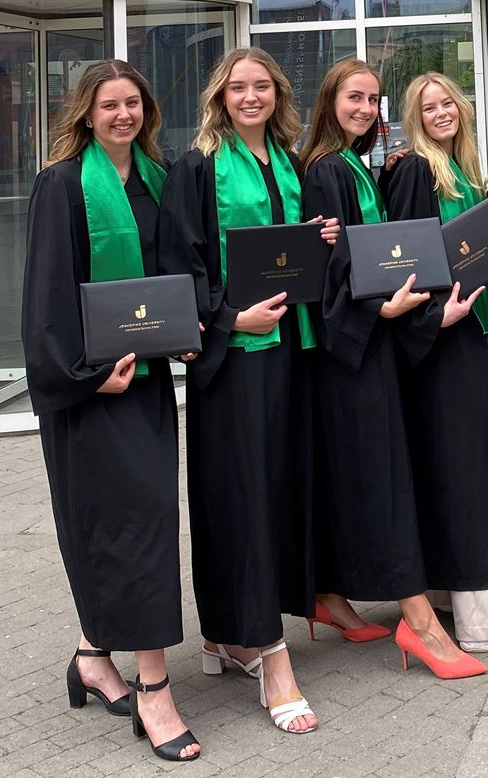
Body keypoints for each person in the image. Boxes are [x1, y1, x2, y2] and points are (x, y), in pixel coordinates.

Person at [157, 47, 340, 733]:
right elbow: (181, 263)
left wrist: (321, 238)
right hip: (234, 363)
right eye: (239, 88)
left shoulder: (289, 163)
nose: (251, 96)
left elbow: (291, 253)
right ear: (221, 97)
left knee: (273, 496)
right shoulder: (198, 167)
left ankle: (227, 634)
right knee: (242, 500)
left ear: (278, 95)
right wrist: (232, 319)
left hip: (288, 356)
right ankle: (271, 656)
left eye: (262, 86)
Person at [21, 59, 199, 761]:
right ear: (87, 114)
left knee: (144, 525)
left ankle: (94, 657)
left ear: (146, 110)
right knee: (126, 531)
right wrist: (89, 378)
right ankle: (155, 689)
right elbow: (45, 299)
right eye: (108, 105)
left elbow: (174, 274)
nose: (122, 115)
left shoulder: (160, 179)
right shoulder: (62, 185)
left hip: (146, 384)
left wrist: (184, 330)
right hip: (93, 394)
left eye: (132, 103)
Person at [300, 59, 488, 679]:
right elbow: (327, 272)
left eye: (373, 99)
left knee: (354, 471)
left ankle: (328, 593)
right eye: (354, 97)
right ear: (330, 102)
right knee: (384, 477)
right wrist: (380, 309)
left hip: (372, 340)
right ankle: (420, 623)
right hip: (352, 348)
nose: (364, 108)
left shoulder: (358, 165)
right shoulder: (327, 170)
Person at [377, 72, 488, 656]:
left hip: (467, 340)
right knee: (473, 475)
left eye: (447, 101)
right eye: (428, 107)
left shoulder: (465, 172)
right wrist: (435, 319)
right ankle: (486, 621)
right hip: (442, 346)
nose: (441, 112)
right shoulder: (415, 171)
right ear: (414, 117)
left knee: (456, 472)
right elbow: (402, 260)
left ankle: (455, 599)